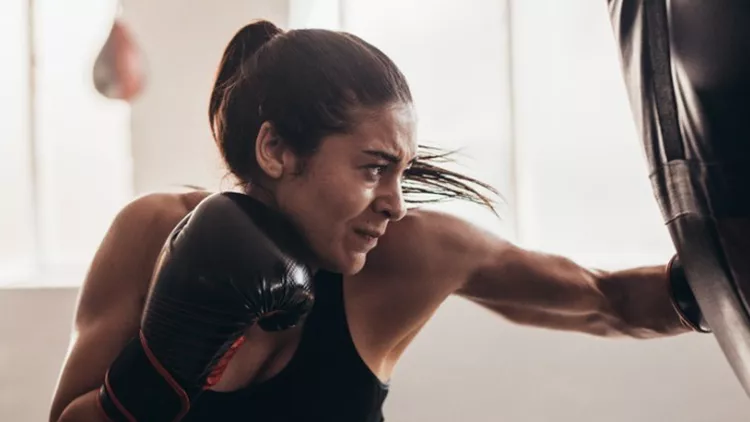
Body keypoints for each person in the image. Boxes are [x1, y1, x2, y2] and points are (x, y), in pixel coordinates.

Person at [49, 20, 707, 422]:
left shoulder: (414, 252)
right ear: (276, 150)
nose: (395, 200)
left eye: (402, 171)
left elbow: (607, 300)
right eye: (372, 168)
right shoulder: (152, 232)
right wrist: (163, 368)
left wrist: (715, 275)